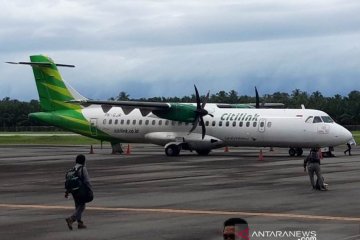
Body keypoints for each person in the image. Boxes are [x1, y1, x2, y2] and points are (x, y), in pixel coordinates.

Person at [65, 154, 93, 230]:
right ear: (83, 161)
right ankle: (71, 219)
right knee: (82, 206)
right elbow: (87, 180)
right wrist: (90, 189)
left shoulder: (72, 169)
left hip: (73, 191)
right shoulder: (83, 168)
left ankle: (80, 223)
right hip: (81, 190)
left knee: (78, 206)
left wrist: (67, 192)